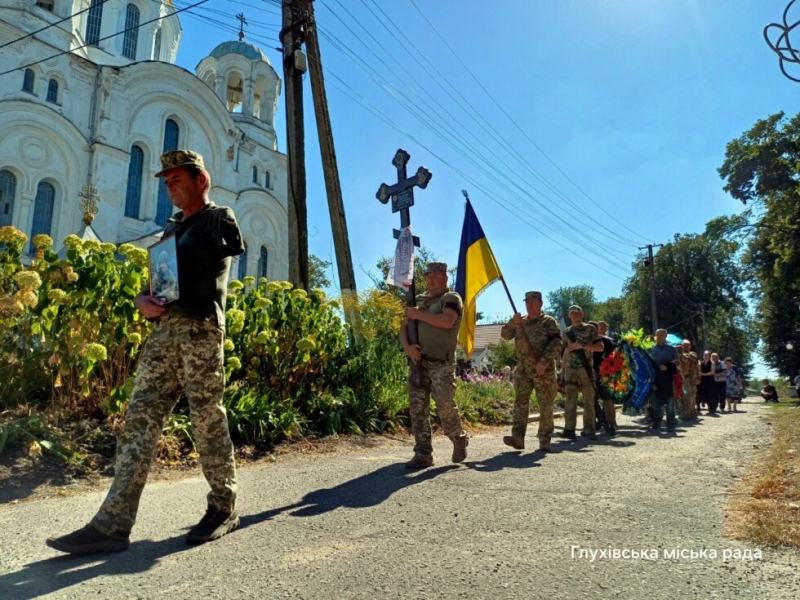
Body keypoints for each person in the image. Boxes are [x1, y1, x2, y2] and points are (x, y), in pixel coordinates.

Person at [47, 150, 245, 555]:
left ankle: (223, 507)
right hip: (164, 333)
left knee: (207, 418)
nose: (169, 186)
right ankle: (113, 524)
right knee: (139, 418)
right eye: (166, 181)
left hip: (200, 331)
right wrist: (143, 300)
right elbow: (158, 280)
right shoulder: (171, 227)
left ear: (200, 180)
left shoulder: (217, 218)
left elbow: (222, 255)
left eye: (177, 179)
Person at [401, 262, 469, 468]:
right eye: (428, 275)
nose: (431, 279)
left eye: (436, 275)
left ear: (445, 278)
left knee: (444, 405)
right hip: (417, 361)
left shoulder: (450, 298)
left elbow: (447, 321)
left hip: (441, 363)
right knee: (417, 408)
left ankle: (458, 437)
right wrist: (407, 348)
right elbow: (403, 327)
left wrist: (417, 314)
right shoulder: (418, 300)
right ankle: (423, 453)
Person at [500, 291, 562, 452]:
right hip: (523, 370)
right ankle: (518, 437)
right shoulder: (520, 322)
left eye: (533, 302)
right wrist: (513, 323)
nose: (530, 304)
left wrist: (544, 361)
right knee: (520, 402)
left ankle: (544, 438)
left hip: (543, 370)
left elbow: (557, 343)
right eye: (527, 302)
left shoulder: (548, 322)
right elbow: (505, 335)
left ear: (541, 303)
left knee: (545, 404)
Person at [560, 305, 604, 439]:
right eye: (572, 313)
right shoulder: (566, 332)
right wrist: (562, 372)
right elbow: (564, 352)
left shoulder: (590, 328)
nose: (574, 315)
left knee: (588, 399)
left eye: (577, 313)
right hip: (570, 369)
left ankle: (589, 430)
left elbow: (600, 347)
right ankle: (569, 430)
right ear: (569, 315)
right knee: (570, 399)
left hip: (585, 369)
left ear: (582, 314)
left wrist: (582, 345)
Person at [647, 329, 681, 431]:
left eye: (661, 335)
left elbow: (678, 363)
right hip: (654, 379)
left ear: (665, 336)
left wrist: (668, 366)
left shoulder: (671, 349)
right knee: (654, 402)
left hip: (667, 378)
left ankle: (670, 424)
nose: (659, 337)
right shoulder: (650, 349)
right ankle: (656, 422)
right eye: (657, 335)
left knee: (670, 402)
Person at [590, 320, 618, 435]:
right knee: (591, 399)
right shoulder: (585, 342)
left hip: (605, 374)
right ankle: (599, 418)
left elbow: (613, 357)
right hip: (589, 373)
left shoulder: (606, 341)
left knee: (607, 399)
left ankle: (610, 423)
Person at [678, 340, 699, 421]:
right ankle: (685, 414)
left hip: (692, 379)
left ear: (690, 346)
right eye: (684, 345)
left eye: (687, 345)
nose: (686, 347)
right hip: (683, 379)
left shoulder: (692, 354)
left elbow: (695, 360)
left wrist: (698, 376)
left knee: (692, 396)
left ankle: (691, 413)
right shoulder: (678, 354)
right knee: (684, 396)